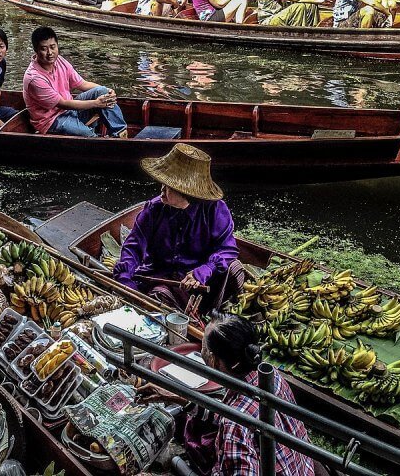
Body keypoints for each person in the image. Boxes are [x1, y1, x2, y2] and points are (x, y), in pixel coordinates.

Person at [136, 313, 315, 476]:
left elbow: (236, 422)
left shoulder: (234, 423)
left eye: (204, 347)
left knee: (196, 434)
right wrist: (175, 397)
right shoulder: (269, 374)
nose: (201, 351)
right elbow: (230, 414)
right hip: (301, 468)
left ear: (213, 359)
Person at [113, 143, 243, 313]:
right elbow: (134, 246)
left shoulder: (215, 210)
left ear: (185, 192)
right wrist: (125, 277)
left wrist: (206, 269)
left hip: (201, 281)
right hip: (163, 278)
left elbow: (227, 249)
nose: (162, 189)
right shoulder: (154, 209)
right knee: (160, 297)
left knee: (235, 269)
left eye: (168, 187)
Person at [23, 26, 127, 137]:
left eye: (53, 47)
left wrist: (108, 90)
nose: (50, 53)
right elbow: (63, 104)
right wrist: (96, 103)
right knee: (89, 135)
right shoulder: (34, 78)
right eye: (44, 49)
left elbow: (82, 84)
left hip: (70, 110)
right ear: (36, 50)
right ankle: (100, 140)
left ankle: (120, 133)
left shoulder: (60, 61)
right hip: (51, 121)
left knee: (102, 91)